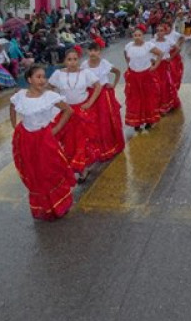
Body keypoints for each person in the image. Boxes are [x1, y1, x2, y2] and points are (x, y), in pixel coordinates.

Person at [9, 65, 76, 221]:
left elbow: (68, 111)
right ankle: (44, 207)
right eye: (38, 77)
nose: (42, 80)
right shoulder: (20, 95)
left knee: (50, 171)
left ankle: (60, 204)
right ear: (29, 80)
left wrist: (55, 130)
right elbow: (12, 106)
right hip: (26, 139)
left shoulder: (49, 96)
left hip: (44, 140)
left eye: (44, 77)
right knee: (34, 173)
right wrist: (14, 125)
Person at [49, 47, 98, 180]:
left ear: (79, 60)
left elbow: (98, 86)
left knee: (82, 139)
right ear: (64, 61)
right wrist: (56, 102)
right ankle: (76, 165)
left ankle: (83, 168)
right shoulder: (58, 74)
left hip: (81, 112)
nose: (72, 62)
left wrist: (90, 102)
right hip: (66, 113)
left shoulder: (85, 73)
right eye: (69, 59)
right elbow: (49, 87)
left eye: (75, 59)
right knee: (69, 141)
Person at [82, 39, 124, 163]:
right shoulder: (84, 65)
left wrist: (114, 85)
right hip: (90, 94)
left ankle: (110, 146)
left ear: (100, 52)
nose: (93, 53)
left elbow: (117, 72)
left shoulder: (104, 63)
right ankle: (97, 148)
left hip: (104, 96)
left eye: (96, 50)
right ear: (87, 51)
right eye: (90, 50)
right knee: (93, 122)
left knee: (106, 120)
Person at [123, 27, 165, 132]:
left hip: (146, 75)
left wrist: (155, 66)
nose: (137, 37)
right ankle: (136, 121)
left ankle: (149, 120)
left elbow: (160, 53)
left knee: (148, 97)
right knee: (135, 98)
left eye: (139, 35)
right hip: (133, 76)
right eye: (135, 35)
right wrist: (129, 65)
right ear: (133, 36)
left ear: (143, 36)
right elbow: (126, 55)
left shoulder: (148, 46)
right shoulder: (128, 46)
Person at [153, 25, 182, 115]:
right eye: (158, 30)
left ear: (165, 32)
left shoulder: (168, 41)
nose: (159, 32)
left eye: (161, 30)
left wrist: (171, 58)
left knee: (165, 85)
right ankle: (157, 105)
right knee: (156, 86)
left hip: (165, 66)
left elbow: (178, 48)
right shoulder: (151, 42)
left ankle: (166, 105)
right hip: (155, 66)